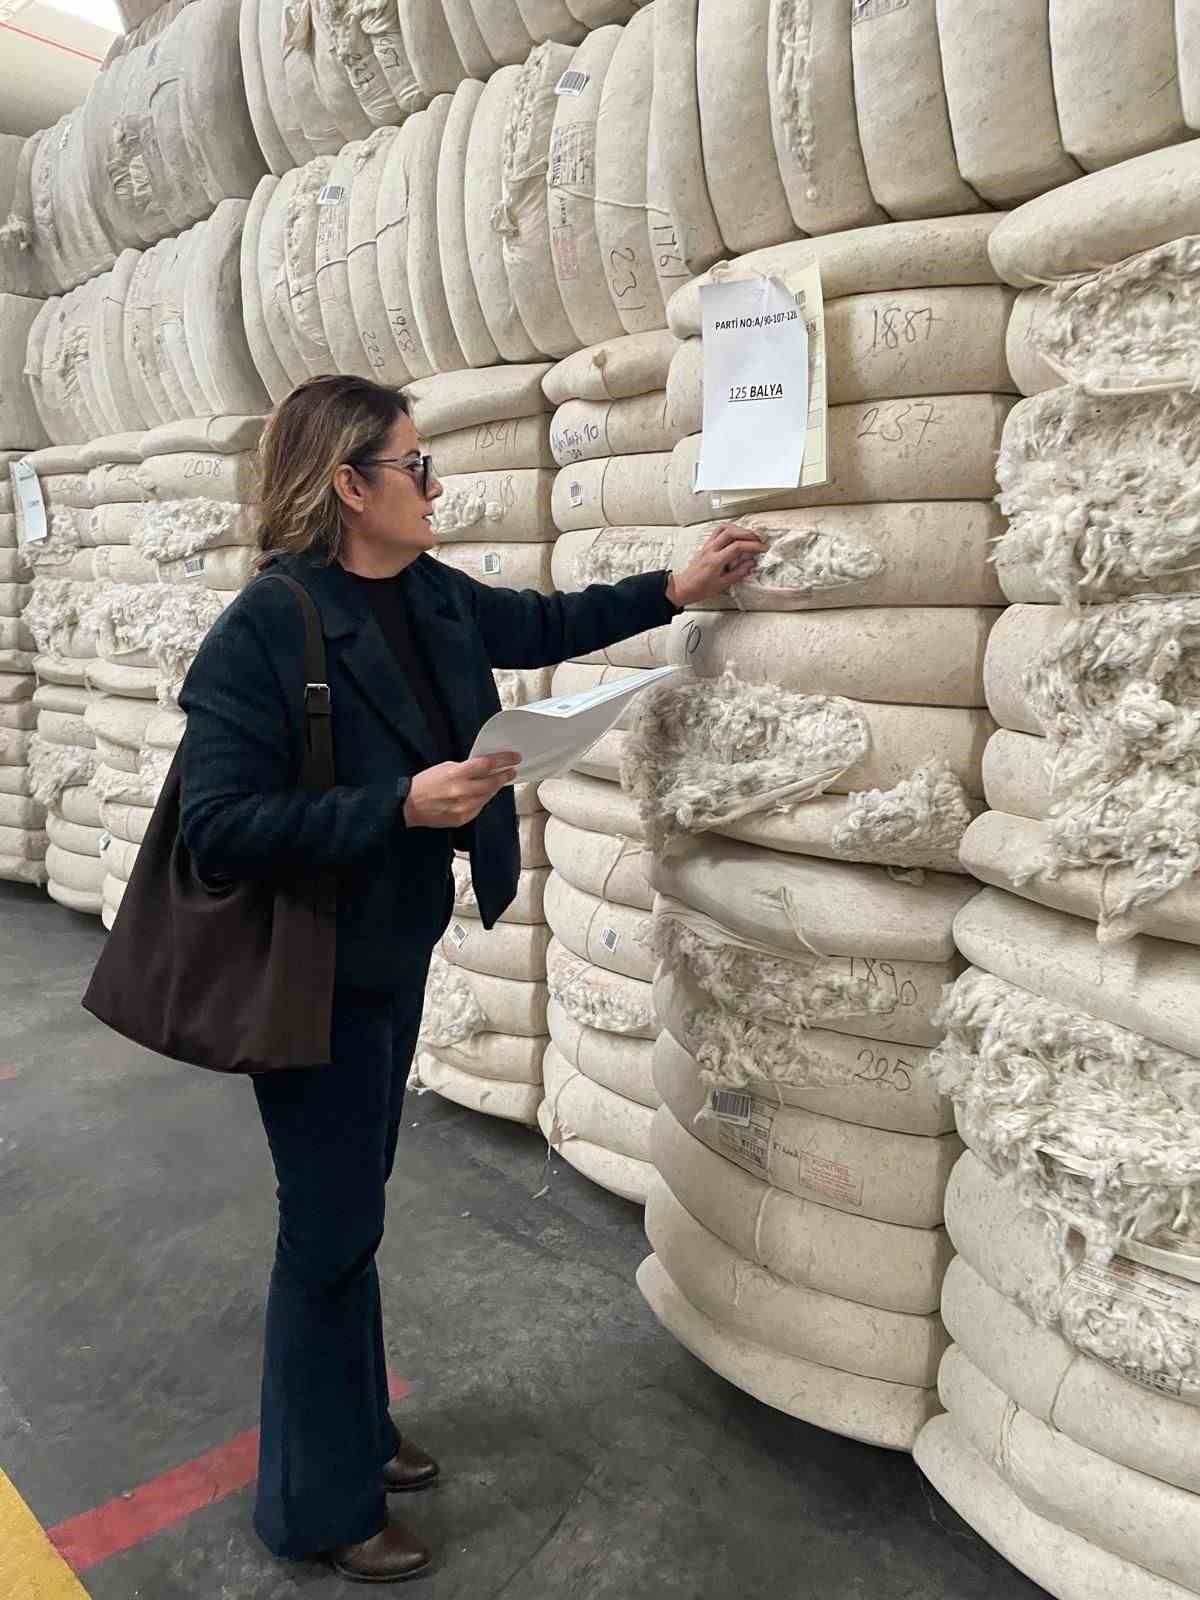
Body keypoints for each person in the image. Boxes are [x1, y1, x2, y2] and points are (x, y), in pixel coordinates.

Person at [177, 374, 766, 1583]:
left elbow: (540, 624)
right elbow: (217, 825)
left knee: (353, 1212)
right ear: (350, 486)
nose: (436, 487)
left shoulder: (426, 594)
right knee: (326, 1229)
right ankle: (315, 1507)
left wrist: (673, 588)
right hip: (308, 974)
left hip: (386, 951)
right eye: (416, 466)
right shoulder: (266, 628)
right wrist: (398, 803)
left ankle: (355, 1433)